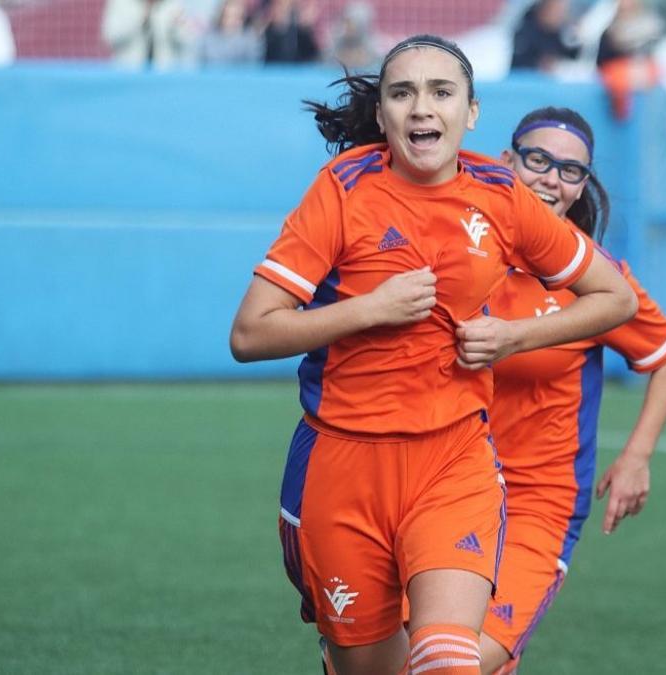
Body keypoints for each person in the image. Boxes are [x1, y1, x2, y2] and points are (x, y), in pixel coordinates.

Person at [229, 34, 637, 675]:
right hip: (344, 468)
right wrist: (371, 308)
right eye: (403, 93)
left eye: (441, 92)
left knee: (448, 660)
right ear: (385, 115)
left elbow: (614, 298)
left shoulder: (499, 195)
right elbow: (250, 333)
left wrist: (511, 338)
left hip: (454, 462)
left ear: (470, 112)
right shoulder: (341, 190)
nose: (422, 107)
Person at [477, 106, 666, 674]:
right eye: (539, 160)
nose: (552, 178)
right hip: (443, 489)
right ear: (506, 162)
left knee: (456, 662)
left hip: (537, 502)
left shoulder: (593, 277)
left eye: (571, 171)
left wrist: (637, 456)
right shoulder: (465, 251)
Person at [595, 0, 663, 120]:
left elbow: (651, 56)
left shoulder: (649, 27)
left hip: (642, 71)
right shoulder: (609, 29)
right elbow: (602, 62)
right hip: (616, 72)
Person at [101, 0, 194, 69]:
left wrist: (176, 28)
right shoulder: (121, 3)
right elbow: (111, 36)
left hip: (164, 75)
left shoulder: (173, 4)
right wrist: (141, 20)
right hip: (129, 73)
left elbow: (187, 42)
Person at [509, 0, 578, 72]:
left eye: (563, 11)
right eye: (556, 10)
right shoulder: (524, 29)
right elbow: (517, 61)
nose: (561, 15)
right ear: (544, 8)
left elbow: (572, 57)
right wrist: (538, 63)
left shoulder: (563, 32)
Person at [198, 0, 262, 67]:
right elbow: (202, 63)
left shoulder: (250, 39)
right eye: (229, 16)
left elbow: (254, 66)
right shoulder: (209, 38)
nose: (232, 20)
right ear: (222, 16)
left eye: (236, 16)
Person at [326, 1, 379, 72]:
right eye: (347, 22)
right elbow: (331, 58)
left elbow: (368, 59)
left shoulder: (368, 40)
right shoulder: (339, 36)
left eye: (351, 22)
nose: (348, 26)